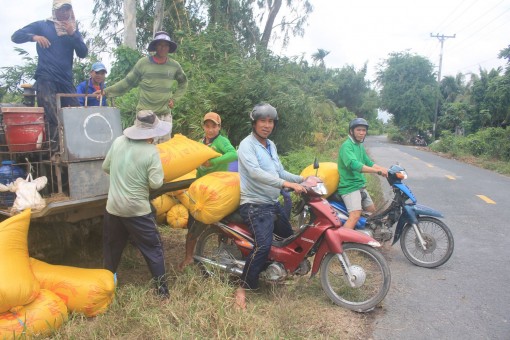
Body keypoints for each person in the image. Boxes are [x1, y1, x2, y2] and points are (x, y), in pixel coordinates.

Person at [234, 103, 307, 309]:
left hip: (272, 204)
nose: (267, 125)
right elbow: (256, 173)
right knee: (263, 246)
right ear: (254, 123)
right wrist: (286, 185)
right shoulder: (246, 145)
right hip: (254, 205)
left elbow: (280, 172)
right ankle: (242, 287)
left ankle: (273, 272)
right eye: (263, 121)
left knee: (290, 238)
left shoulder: (270, 145)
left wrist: (303, 179)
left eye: (270, 121)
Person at [102, 110, 172, 299]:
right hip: (137, 211)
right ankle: (162, 292)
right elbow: (156, 183)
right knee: (152, 248)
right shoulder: (151, 152)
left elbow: (106, 167)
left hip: (114, 207)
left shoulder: (118, 142)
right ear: (152, 133)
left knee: (112, 247)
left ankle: (106, 287)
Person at [11, 0, 88, 151]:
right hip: (46, 78)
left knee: (76, 115)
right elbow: (16, 36)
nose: (65, 13)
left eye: (67, 9)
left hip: (65, 80)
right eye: (61, 9)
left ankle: (78, 151)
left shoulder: (72, 30)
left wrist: (74, 35)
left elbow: (83, 53)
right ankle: (54, 154)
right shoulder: (43, 25)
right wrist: (34, 37)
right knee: (51, 117)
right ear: (55, 10)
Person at [97, 31, 187, 142]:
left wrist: (175, 99)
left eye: (165, 45)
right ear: (155, 46)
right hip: (144, 117)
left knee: (164, 152)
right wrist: (105, 92)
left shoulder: (174, 66)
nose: (163, 48)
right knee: (143, 149)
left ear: (169, 47)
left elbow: (183, 83)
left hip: (164, 116)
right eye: (160, 44)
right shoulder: (143, 63)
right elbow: (127, 82)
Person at [178, 112, 238, 270]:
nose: (210, 129)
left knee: (222, 225)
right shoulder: (200, 143)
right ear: (203, 127)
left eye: (214, 126)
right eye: (207, 126)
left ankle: (222, 255)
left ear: (219, 127)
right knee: (193, 223)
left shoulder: (221, 141)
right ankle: (189, 257)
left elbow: (233, 154)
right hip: (202, 189)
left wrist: (214, 162)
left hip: (218, 188)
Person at [336, 118, 388, 230]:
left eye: (364, 130)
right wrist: (377, 171)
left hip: (360, 186)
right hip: (349, 187)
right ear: (351, 131)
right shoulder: (347, 146)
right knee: (355, 215)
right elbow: (354, 165)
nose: (361, 133)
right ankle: (341, 245)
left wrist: (385, 169)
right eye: (358, 130)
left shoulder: (359, 145)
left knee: (372, 213)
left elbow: (368, 162)